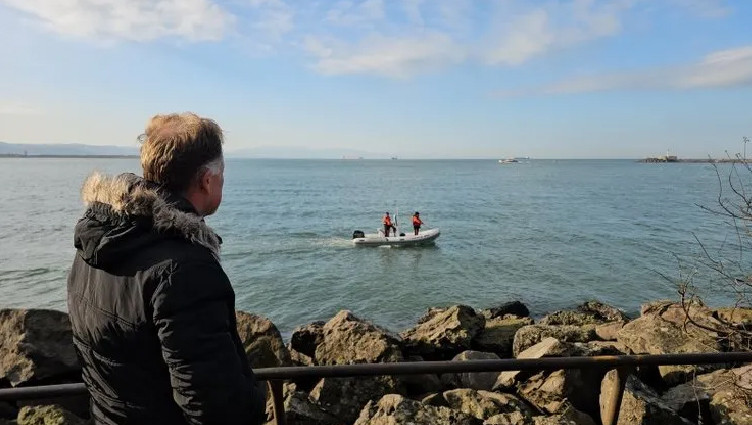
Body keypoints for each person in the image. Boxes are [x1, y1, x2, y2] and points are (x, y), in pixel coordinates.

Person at [67, 113, 266, 425]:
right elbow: (214, 405)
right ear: (207, 180)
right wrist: (257, 399)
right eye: (222, 174)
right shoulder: (185, 270)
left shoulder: (93, 245)